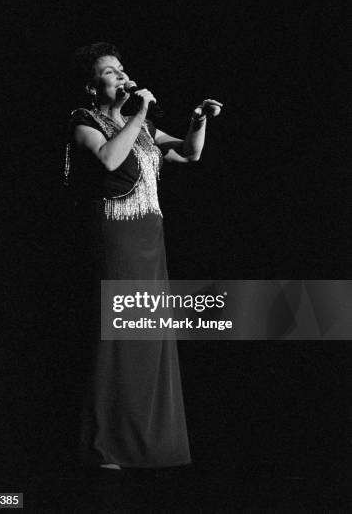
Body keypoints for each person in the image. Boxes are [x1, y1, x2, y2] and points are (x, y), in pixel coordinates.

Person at [64, 42, 222, 470]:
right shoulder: (83, 122)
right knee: (118, 334)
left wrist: (196, 121)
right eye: (108, 71)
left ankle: (151, 444)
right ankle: (106, 446)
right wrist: (139, 112)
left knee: (147, 336)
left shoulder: (144, 127)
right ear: (91, 86)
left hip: (151, 236)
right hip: (116, 235)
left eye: (120, 68)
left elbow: (190, 153)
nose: (119, 75)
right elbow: (110, 159)